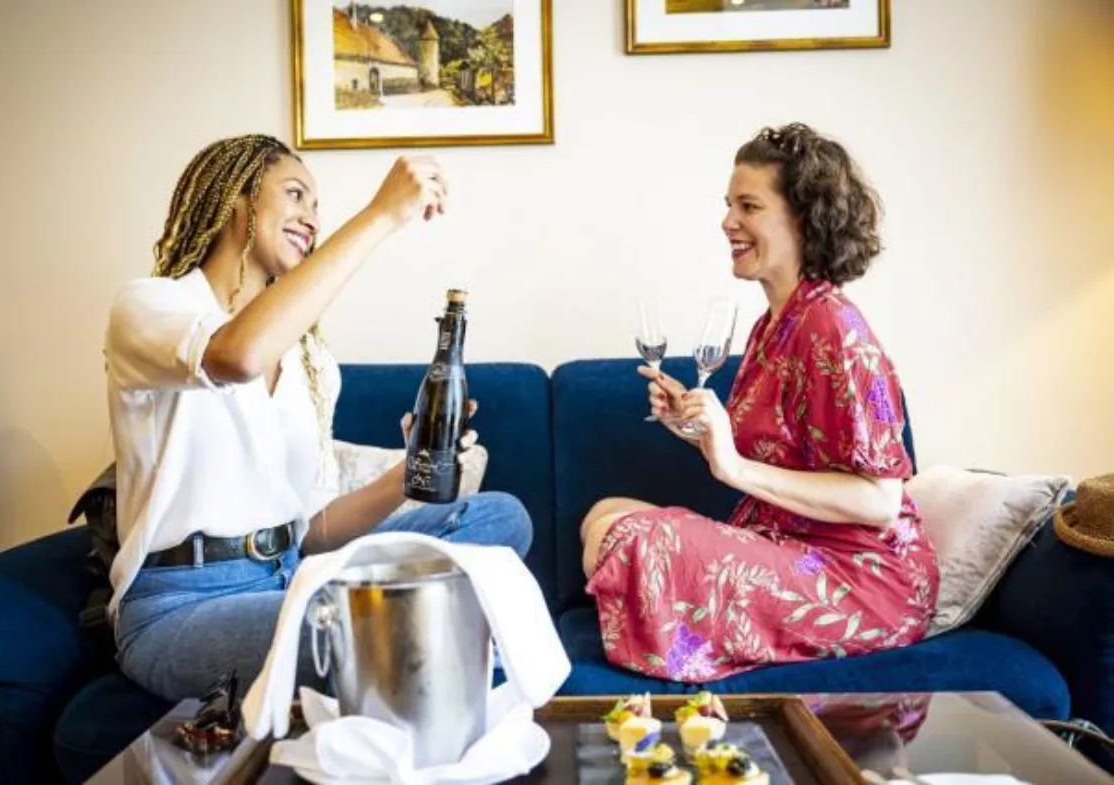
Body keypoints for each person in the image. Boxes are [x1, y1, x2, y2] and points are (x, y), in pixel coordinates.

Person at [104, 134, 532, 702]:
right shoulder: (151, 307)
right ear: (237, 198)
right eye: (296, 195)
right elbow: (237, 356)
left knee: (501, 518)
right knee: (382, 626)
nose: (312, 218)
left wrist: (406, 475)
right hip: (181, 605)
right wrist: (381, 215)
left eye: (316, 206)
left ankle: (402, 616)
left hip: (293, 578)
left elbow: (314, 531)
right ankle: (407, 622)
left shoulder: (312, 365)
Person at [580, 122, 939, 682]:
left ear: (804, 219)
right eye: (728, 205)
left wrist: (733, 466)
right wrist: (698, 429)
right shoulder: (772, 325)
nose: (728, 222)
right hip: (788, 543)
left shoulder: (832, 328)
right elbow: (779, 457)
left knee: (627, 536)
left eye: (748, 206)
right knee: (606, 513)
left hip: (859, 578)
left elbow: (880, 502)